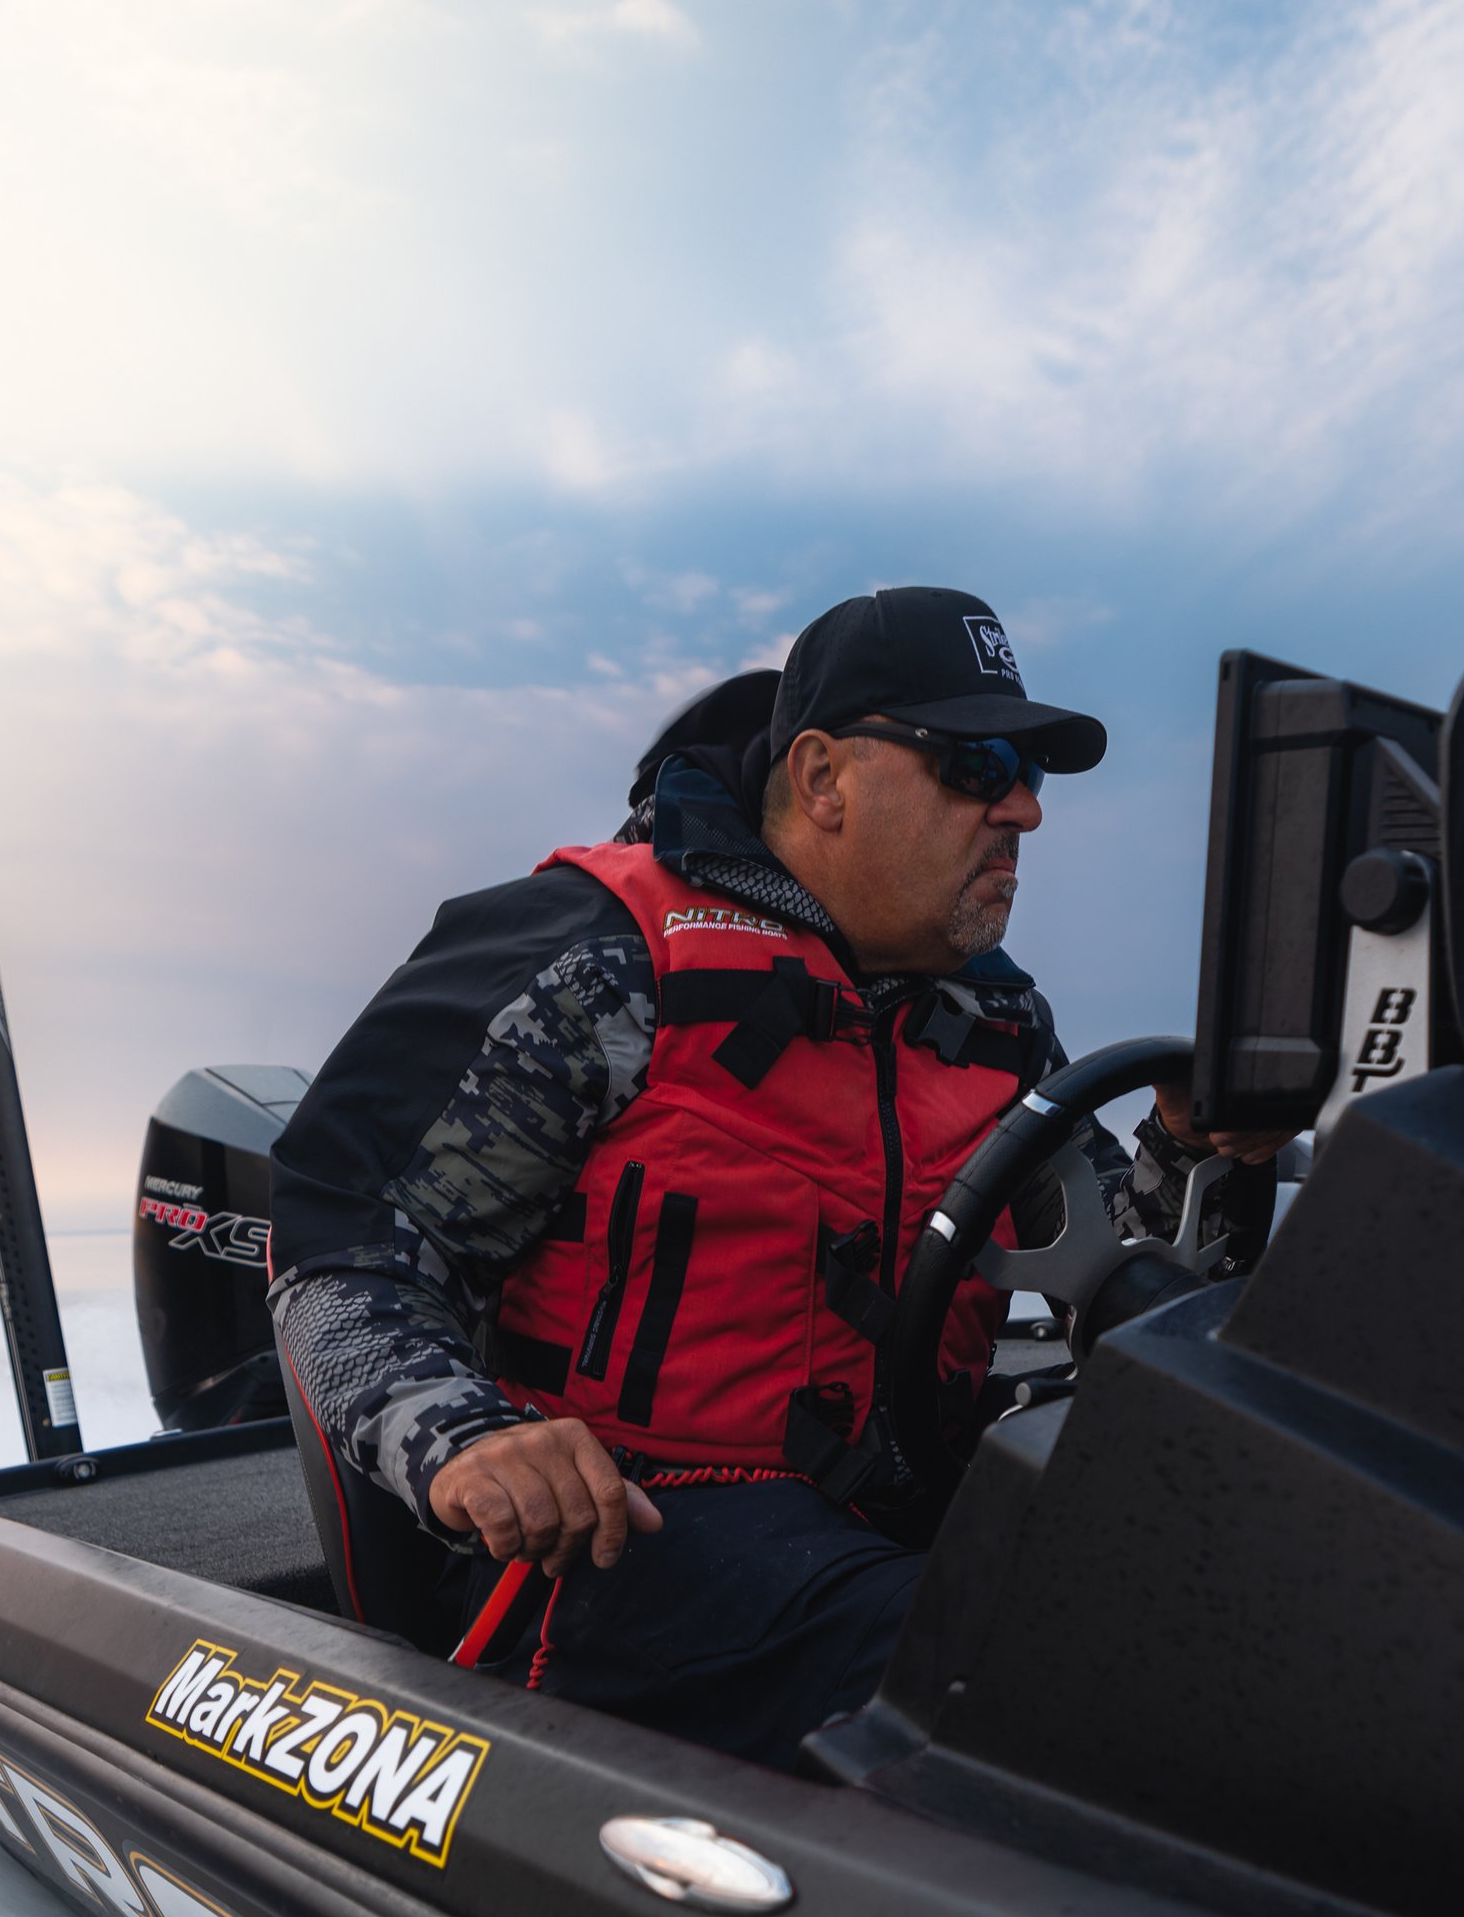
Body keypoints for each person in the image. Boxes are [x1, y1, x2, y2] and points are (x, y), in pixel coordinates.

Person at [269, 585, 1265, 1769]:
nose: (1022, 810)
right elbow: (337, 1259)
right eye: (977, 763)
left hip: (885, 1521)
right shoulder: (595, 965)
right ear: (823, 777)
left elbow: (1115, 1269)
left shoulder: (991, 1020)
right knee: (1007, 1663)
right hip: (609, 1552)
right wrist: (469, 1444)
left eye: (1033, 771)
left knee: (1232, 1600)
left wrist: (1199, 1151)